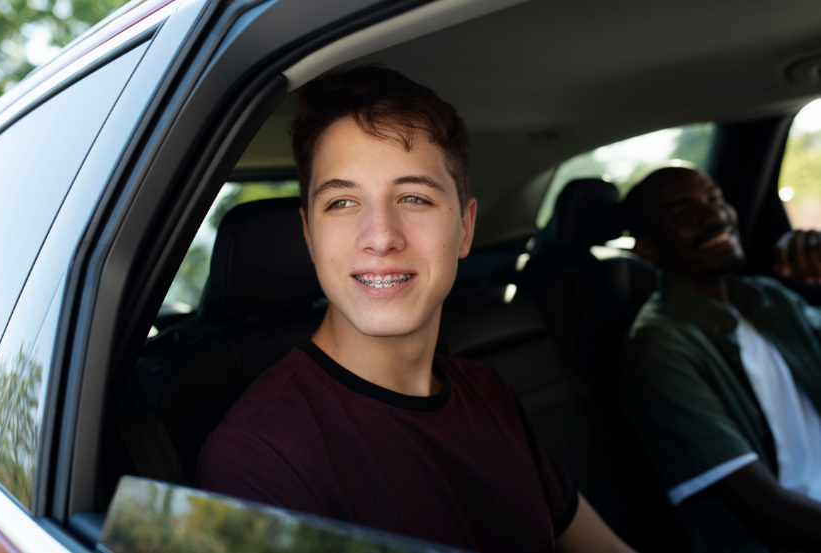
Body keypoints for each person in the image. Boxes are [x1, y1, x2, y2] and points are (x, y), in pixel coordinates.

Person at [195, 66, 635, 553]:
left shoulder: (487, 390)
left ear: (465, 229)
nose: (381, 237)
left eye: (413, 197)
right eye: (342, 202)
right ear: (309, 236)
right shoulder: (260, 459)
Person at [619, 163, 821, 553]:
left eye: (714, 200)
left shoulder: (764, 298)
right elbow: (771, 513)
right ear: (648, 248)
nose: (715, 216)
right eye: (685, 214)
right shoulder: (658, 348)